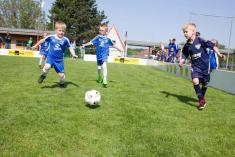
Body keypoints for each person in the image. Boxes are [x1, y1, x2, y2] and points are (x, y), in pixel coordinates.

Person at [179, 23, 225, 110]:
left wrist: (219, 54)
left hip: (205, 67)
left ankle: (202, 96)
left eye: (186, 32)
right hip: (195, 67)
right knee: (195, 81)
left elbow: (213, 46)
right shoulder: (187, 45)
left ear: (193, 31)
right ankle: (201, 101)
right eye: (184, 32)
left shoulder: (200, 40)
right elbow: (184, 54)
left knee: (205, 84)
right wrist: (182, 60)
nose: (184, 34)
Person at [32, 21, 78, 87]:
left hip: (59, 60)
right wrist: (36, 45)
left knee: (61, 75)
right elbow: (42, 40)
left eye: (63, 31)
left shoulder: (65, 40)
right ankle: (43, 75)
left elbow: (70, 47)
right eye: (59, 30)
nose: (61, 32)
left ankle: (62, 83)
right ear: (56, 30)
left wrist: (73, 54)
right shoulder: (51, 37)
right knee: (47, 66)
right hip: (51, 57)